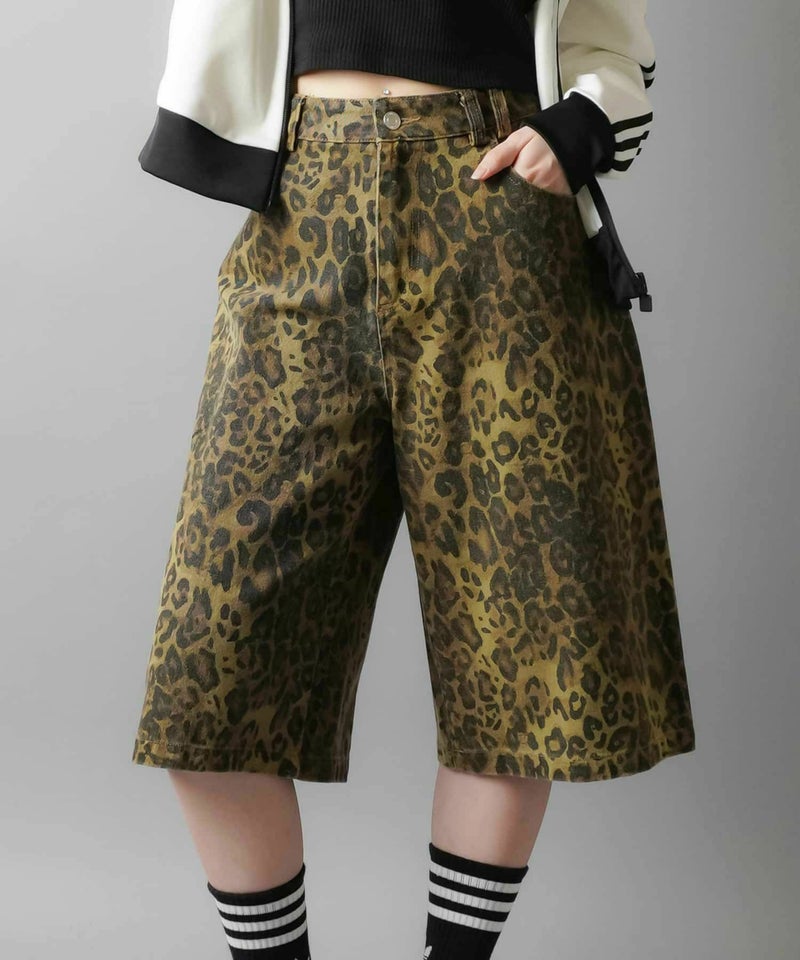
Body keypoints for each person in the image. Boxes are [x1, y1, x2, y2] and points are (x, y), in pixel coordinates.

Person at [130, 2, 697, 958]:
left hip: (498, 212)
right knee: (208, 677)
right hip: (303, 200)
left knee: (520, 663)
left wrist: (578, 124)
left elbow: (611, 42)